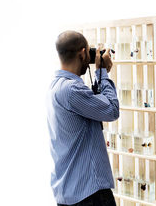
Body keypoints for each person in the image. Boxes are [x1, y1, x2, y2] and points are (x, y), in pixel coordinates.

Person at [46, 30, 119, 206]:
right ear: (83, 53)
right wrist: (102, 73)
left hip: (69, 192)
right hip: (89, 195)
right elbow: (111, 110)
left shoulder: (56, 86)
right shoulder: (72, 90)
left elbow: (93, 104)